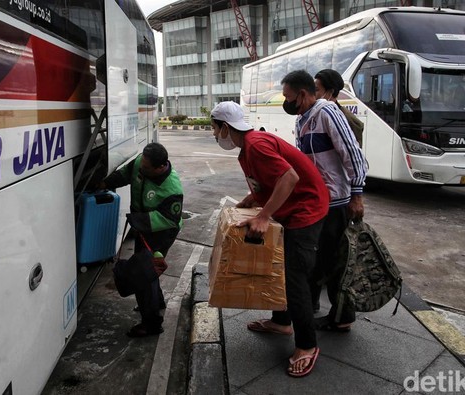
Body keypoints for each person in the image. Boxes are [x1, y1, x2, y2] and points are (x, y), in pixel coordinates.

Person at [210, 101, 329, 378]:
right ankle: (281, 322)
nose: (215, 136)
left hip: (306, 211)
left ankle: (307, 346)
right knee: (281, 269)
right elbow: (268, 182)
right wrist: (251, 200)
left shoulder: (256, 145)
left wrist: (263, 217)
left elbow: (289, 177)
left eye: (214, 130)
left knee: (295, 276)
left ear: (225, 127)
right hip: (292, 208)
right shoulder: (247, 149)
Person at [282, 70, 368, 332]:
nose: (286, 102)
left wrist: (357, 194)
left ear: (303, 94)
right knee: (314, 260)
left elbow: (352, 153)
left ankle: (343, 317)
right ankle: (309, 309)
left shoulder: (326, 112)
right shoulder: (303, 120)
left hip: (337, 202)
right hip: (316, 202)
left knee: (336, 262)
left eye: (288, 97)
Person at [99, 142, 184, 337]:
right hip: (144, 228)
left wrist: (138, 220)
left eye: (146, 168)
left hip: (162, 232)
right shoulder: (141, 163)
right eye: (141, 165)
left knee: (144, 275)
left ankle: (152, 324)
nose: (141, 169)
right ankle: (157, 302)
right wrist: (104, 183)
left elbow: (169, 219)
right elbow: (125, 174)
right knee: (148, 271)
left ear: (161, 167)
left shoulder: (171, 188)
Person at [314, 69, 365, 146]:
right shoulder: (314, 113)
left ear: (330, 92)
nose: (313, 94)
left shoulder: (348, 119)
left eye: (316, 90)